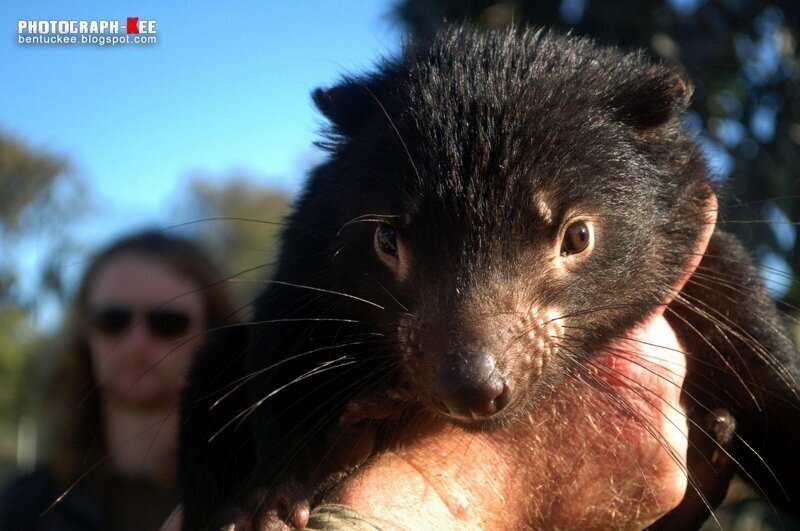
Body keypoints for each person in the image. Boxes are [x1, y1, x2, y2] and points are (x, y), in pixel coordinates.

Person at [0, 230, 238, 531]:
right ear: (84, 336)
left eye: (167, 323)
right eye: (112, 320)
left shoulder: (256, 503)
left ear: (214, 336)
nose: (135, 343)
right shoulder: (25, 507)